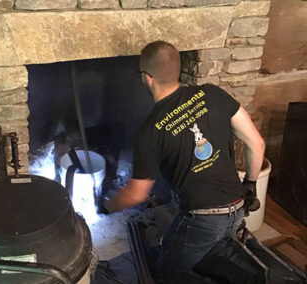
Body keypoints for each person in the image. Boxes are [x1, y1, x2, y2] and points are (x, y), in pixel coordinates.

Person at [103, 40, 265, 282]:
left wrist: (109, 205)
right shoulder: (213, 93)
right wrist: (251, 185)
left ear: (147, 78)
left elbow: (136, 194)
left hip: (203, 219)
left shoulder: (151, 129)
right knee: (187, 248)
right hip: (237, 208)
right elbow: (256, 143)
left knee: (166, 273)